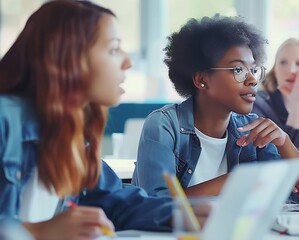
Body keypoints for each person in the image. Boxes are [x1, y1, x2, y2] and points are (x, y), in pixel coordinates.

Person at [0, 1, 177, 239]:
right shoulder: (5, 120)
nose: (128, 62)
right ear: (68, 57)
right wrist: (38, 232)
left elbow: (113, 201)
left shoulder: (71, 134)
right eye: (114, 49)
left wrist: (185, 213)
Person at [132, 15, 299, 206]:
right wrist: (237, 182)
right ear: (201, 79)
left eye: (254, 69)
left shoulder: (250, 129)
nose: (252, 80)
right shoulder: (163, 126)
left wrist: (284, 142)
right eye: (238, 70)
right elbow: (156, 203)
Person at [253, 38, 299, 158]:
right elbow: (284, 164)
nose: (291, 70)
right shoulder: (258, 104)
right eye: (283, 63)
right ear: (275, 70)